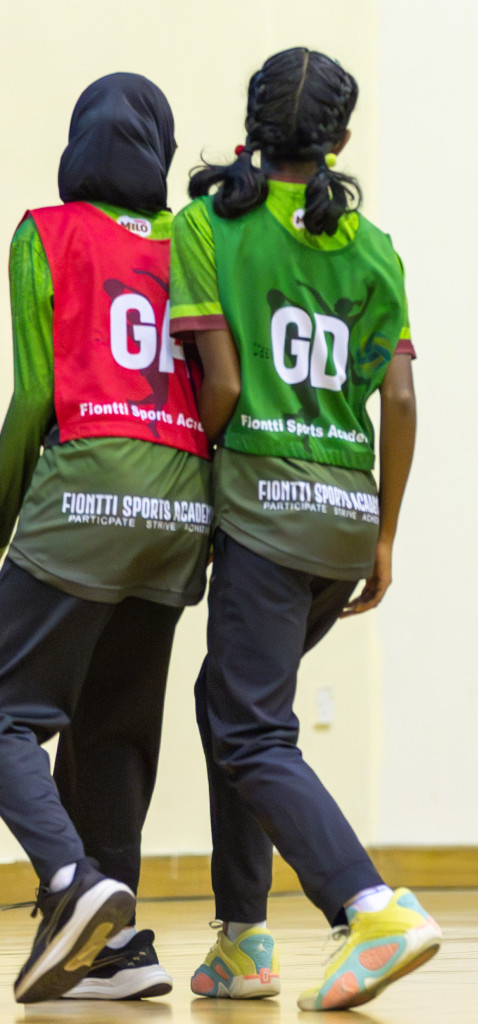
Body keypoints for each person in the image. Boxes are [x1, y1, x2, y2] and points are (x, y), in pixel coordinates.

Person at [168, 47, 439, 1010]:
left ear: (249, 123)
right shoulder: (373, 246)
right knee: (230, 708)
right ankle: (242, 941)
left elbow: (226, 385)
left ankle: (368, 908)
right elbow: (400, 398)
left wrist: (184, 472)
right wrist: (386, 536)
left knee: (249, 730)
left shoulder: (207, 225)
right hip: (344, 517)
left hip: (264, 513)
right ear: (341, 140)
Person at [0, 73, 204, 1003]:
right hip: (181, 505)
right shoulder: (195, 239)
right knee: (114, 731)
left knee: (5, 712)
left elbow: (36, 396)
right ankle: (120, 953)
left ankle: (71, 882)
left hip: (88, 491)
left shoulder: (43, 232)